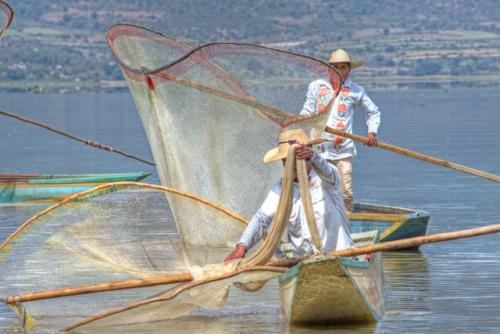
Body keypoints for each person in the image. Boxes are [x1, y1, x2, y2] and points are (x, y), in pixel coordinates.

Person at [224, 129, 354, 262]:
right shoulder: (282, 189)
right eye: (290, 161)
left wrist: (314, 156)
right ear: (284, 163)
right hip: (305, 263)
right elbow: (261, 219)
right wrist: (241, 247)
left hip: (340, 257)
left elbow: (328, 171)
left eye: (301, 159)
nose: (295, 164)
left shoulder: (327, 179)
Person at [300, 49, 381, 212]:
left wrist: (372, 133)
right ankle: (319, 225)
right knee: (318, 190)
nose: (339, 71)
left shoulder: (356, 90)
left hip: (343, 151)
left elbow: (373, 112)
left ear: (349, 69)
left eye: (343, 67)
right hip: (318, 150)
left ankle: (347, 225)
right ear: (329, 68)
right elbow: (307, 112)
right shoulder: (316, 87)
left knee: (346, 192)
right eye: (335, 67)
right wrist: (301, 120)